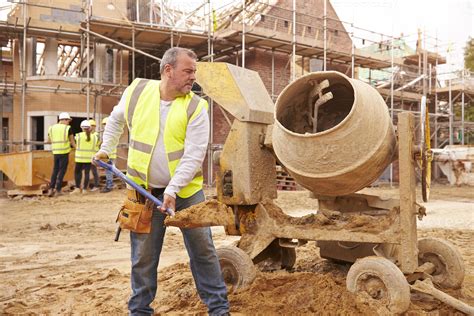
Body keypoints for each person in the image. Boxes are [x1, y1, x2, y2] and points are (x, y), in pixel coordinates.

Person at [93, 47, 229, 315]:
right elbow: (115, 121)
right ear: (168, 70)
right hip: (143, 192)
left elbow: (193, 156)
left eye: (194, 72)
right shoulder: (137, 91)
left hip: (186, 193)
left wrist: (173, 190)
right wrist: (105, 149)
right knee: (143, 257)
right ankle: (140, 311)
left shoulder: (195, 106)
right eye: (188, 71)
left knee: (203, 251)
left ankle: (219, 309)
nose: (193, 77)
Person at [47, 112, 75, 197]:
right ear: (65, 120)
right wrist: (77, 148)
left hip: (55, 152)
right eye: (68, 120)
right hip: (64, 152)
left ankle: (51, 189)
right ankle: (58, 190)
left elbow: (49, 141)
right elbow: (72, 142)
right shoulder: (67, 128)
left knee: (55, 170)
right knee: (62, 171)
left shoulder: (51, 128)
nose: (69, 122)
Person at [71, 120, 98, 194]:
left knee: (77, 172)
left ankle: (77, 188)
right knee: (87, 173)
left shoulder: (78, 136)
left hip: (79, 158)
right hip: (88, 158)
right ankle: (85, 189)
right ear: (90, 128)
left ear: (81, 127)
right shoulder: (94, 137)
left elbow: (74, 143)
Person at [99, 117, 116, 193]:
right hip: (109, 155)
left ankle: (109, 186)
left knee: (109, 171)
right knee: (109, 171)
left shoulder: (109, 134)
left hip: (109, 155)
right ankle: (110, 185)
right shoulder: (111, 133)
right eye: (104, 124)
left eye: (105, 124)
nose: (104, 126)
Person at [88, 119, 100, 192]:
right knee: (88, 171)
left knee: (94, 171)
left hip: (94, 156)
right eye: (90, 126)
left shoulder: (96, 135)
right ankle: (90, 185)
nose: (91, 127)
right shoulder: (89, 135)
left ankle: (96, 185)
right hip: (87, 156)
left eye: (93, 126)